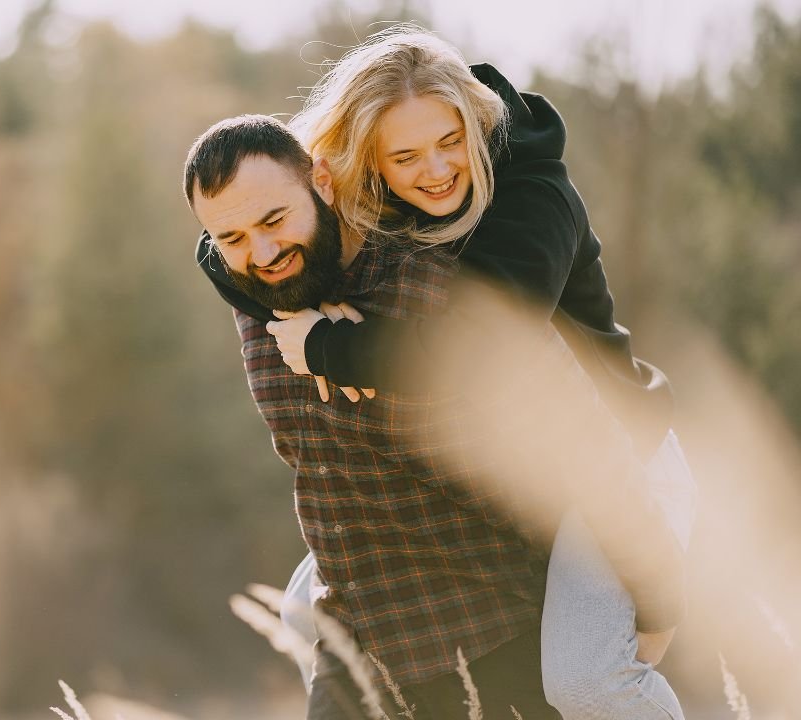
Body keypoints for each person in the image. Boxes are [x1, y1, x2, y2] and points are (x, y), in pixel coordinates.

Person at [183, 28, 695, 720]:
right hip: (527, 461)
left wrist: (330, 346)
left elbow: (482, 348)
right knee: (306, 611)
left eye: (449, 143)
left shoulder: (529, 203)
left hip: (619, 450)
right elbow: (238, 250)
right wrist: (280, 282)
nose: (434, 170)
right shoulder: (354, 214)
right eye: (404, 155)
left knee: (587, 680)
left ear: (475, 126)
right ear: (363, 164)